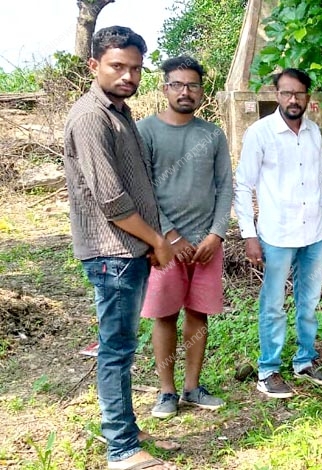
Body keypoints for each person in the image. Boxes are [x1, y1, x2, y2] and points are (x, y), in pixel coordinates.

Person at [63, 26, 176, 470]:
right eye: (117, 66)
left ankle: (125, 429)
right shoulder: (90, 117)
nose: (128, 75)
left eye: (135, 68)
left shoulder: (119, 112)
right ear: (94, 66)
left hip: (128, 251)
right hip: (112, 252)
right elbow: (111, 200)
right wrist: (156, 241)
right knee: (115, 349)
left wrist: (147, 242)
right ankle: (123, 450)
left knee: (123, 345)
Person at [234, 68, 322, 399]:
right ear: (276, 95)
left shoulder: (312, 133)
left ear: (308, 96)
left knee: (308, 303)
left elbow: (319, 183)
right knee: (273, 305)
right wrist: (249, 235)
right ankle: (268, 370)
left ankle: (305, 361)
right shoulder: (260, 133)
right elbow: (243, 185)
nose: (293, 99)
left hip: (311, 235)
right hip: (276, 235)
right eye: (286, 93)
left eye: (299, 93)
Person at [137, 56, 232, 418]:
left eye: (192, 85)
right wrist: (170, 236)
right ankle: (166, 392)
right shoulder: (145, 131)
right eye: (177, 84)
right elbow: (142, 189)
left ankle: (192, 388)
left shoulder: (212, 134)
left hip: (206, 245)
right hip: (163, 245)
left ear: (201, 91)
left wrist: (216, 234)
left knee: (198, 314)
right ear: (164, 88)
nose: (185, 91)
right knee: (164, 315)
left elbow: (225, 187)